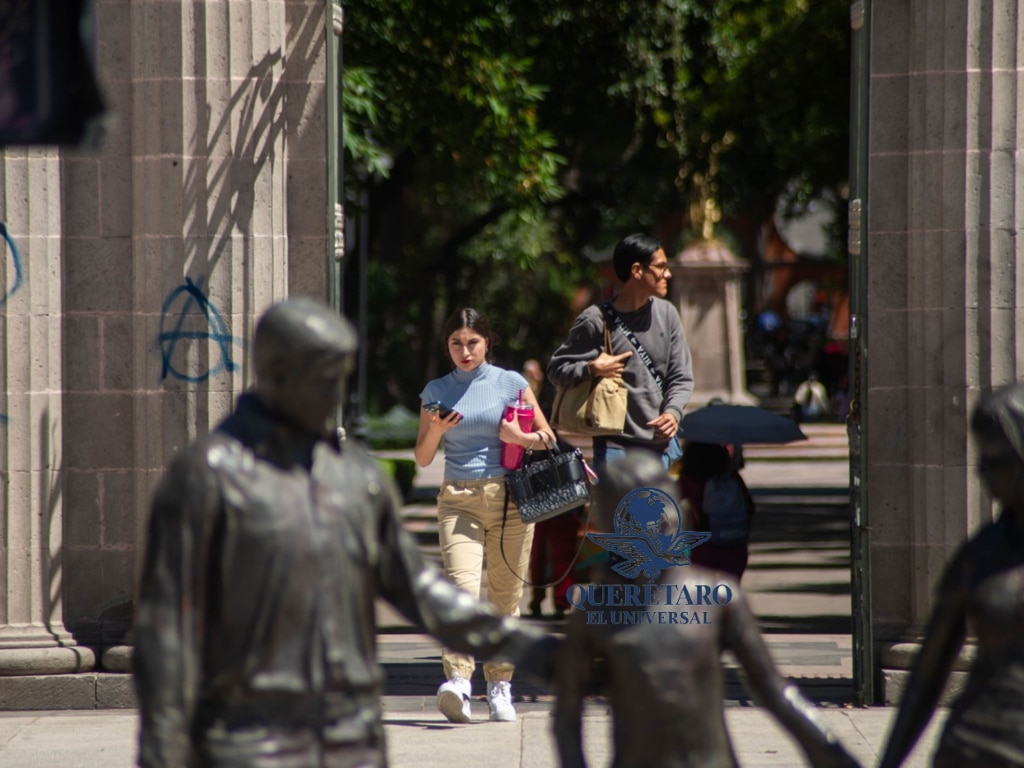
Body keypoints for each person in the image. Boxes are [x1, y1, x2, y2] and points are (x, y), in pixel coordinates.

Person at [133, 298, 557, 768]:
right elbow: (165, 627)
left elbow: (423, 593)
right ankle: (460, 681)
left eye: (339, 374)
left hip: (350, 733)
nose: (333, 390)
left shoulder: (356, 479)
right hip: (249, 731)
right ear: (278, 371)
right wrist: (162, 745)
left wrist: (540, 652)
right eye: (322, 374)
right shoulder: (208, 475)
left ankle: (493, 685)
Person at [552, 452, 860, 768]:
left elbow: (775, 691)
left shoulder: (718, 598)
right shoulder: (595, 611)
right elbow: (566, 719)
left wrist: (831, 753)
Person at [414, 307, 556, 723]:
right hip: (458, 498)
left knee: (505, 598)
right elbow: (422, 457)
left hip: (510, 499)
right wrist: (436, 431)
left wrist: (520, 437)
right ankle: (459, 681)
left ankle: (499, 686)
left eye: (472, 343)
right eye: (456, 343)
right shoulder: (436, 390)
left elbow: (548, 438)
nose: (465, 351)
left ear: (487, 342)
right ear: (447, 346)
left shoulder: (510, 383)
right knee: (461, 592)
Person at [878, 383, 1024, 768]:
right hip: (970, 747)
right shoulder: (979, 556)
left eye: (994, 458)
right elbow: (928, 674)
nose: (981, 471)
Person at [547, 233, 694, 469]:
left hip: (660, 448)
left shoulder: (668, 315)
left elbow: (681, 376)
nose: (668, 274)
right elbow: (556, 369)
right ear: (637, 270)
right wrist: (591, 368)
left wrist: (673, 413)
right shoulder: (595, 320)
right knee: (618, 498)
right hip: (615, 448)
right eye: (661, 267)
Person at [678, 441, 756, 581]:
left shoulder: (689, 481)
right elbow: (750, 507)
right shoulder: (732, 478)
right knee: (729, 590)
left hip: (702, 547)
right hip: (734, 545)